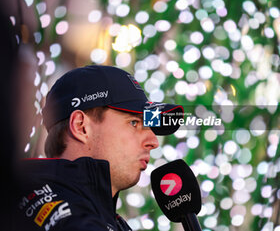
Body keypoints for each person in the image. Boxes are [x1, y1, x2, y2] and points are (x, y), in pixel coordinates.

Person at [13, 65, 183, 231]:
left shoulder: (110, 221)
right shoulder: (34, 204)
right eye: (134, 123)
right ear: (81, 127)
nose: (154, 142)